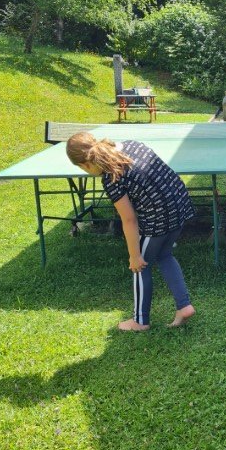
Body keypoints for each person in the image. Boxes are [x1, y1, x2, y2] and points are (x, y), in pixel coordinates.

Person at [66, 132, 196, 330]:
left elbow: (129, 219)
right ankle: (184, 306)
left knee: (140, 266)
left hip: (158, 217)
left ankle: (140, 321)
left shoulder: (111, 178)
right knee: (164, 255)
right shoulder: (132, 145)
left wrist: (134, 256)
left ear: (86, 165)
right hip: (179, 203)